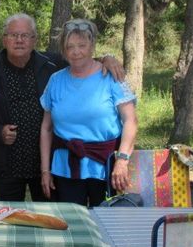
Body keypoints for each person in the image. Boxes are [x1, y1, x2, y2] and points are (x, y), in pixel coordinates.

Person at [0, 13, 126, 202]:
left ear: (34, 39)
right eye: (14, 35)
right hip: (7, 163)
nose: (19, 40)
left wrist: (108, 58)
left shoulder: (52, 64)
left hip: (47, 161)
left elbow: (82, 59)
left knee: (52, 215)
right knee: (9, 215)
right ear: (4, 39)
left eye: (25, 35)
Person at [39, 18, 137, 207]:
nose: (76, 52)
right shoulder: (55, 80)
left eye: (82, 45)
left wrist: (122, 160)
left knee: (108, 220)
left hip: (107, 166)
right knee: (72, 220)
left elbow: (130, 121)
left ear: (92, 46)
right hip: (66, 167)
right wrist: (45, 170)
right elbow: (46, 128)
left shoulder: (111, 76)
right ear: (63, 50)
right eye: (70, 46)